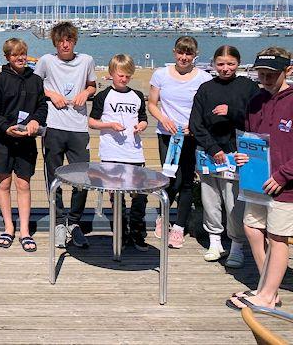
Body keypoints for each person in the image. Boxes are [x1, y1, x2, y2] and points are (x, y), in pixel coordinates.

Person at [226, 47, 293, 311]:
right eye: (261, 74)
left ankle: (266, 295)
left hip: (286, 184)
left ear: (287, 71)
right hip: (258, 181)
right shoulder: (256, 100)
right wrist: (242, 156)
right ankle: (268, 288)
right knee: (252, 228)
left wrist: (284, 175)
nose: (265, 80)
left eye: (271, 75)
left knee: (278, 237)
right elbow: (251, 139)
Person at [189, 45, 258, 267]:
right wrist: (212, 148)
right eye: (220, 64)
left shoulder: (249, 87)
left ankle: (237, 245)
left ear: (238, 63)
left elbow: (255, 120)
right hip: (209, 155)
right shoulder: (206, 88)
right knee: (210, 198)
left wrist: (232, 112)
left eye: (230, 64)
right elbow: (195, 124)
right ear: (213, 64)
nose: (225, 68)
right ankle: (215, 240)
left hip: (236, 154)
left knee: (233, 202)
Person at [35, 21, 97, 249]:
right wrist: (51, 94)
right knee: (54, 175)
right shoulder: (46, 61)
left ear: (74, 41)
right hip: (53, 125)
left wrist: (85, 93)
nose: (65, 44)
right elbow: (35, 84)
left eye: (69, 40)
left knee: (82, 177)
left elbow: (93, 85)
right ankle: (59, 222)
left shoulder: (87, 60)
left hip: (79, 127)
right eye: (60, 41)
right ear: (55, 42)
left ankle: (74, 222)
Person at [147, 36, 212, 249]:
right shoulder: (161, 74)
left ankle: (179, 226)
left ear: (195, 55)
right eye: (181, 53)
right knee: (170, 179)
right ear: (174, 52)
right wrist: (163, 119)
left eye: (189, 53)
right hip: (168, 134)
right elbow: (152, 104)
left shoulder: (202, 78)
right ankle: (163, 216)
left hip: (191, 135)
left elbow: (205, 108)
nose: (184, 57)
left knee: (186, 181)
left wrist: (195, 127)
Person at [0, 38, 48, 252]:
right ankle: (8, 227)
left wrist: (35, 121)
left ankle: (24, 231)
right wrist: (5, 127)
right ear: (7, 57)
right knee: (3, 185)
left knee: (24, 185)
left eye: (22, 54)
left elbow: (42, 107)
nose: (20, 58)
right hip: (3, 140)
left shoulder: (36, 80)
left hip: (27, 141)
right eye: (15, 55)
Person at [88, 54, 149, 251]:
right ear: (112, 74)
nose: (124, 79)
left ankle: (138, 233)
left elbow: (143, 118)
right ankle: (121, 234)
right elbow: (91, 121)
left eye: (127, 76)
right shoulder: (103, 96)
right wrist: (109, 125)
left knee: (140, 195)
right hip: (111, 154)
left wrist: (141, 125)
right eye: (120, 75)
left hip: (134, 153)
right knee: (116, 197)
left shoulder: (138, 96)